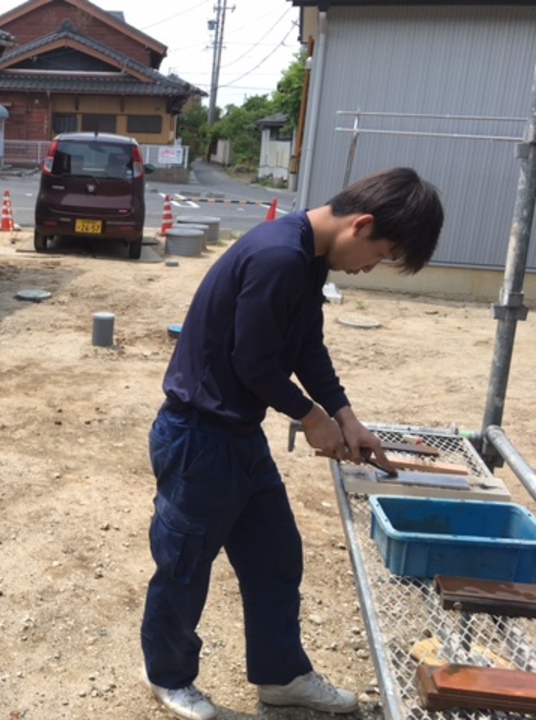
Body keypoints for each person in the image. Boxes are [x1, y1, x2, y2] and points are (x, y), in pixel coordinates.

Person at [141, 167, 444, 720]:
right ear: (363, 224)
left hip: (237, 434)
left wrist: (346, 417)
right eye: (381, 255)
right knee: (185, 565)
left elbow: (306, 347)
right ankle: (169, 676)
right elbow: (251, 361)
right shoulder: (279, 256)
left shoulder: (307, 259)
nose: (371, 268)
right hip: (198, 437)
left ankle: (281, 677)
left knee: (276, 557)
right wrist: (310, 418)